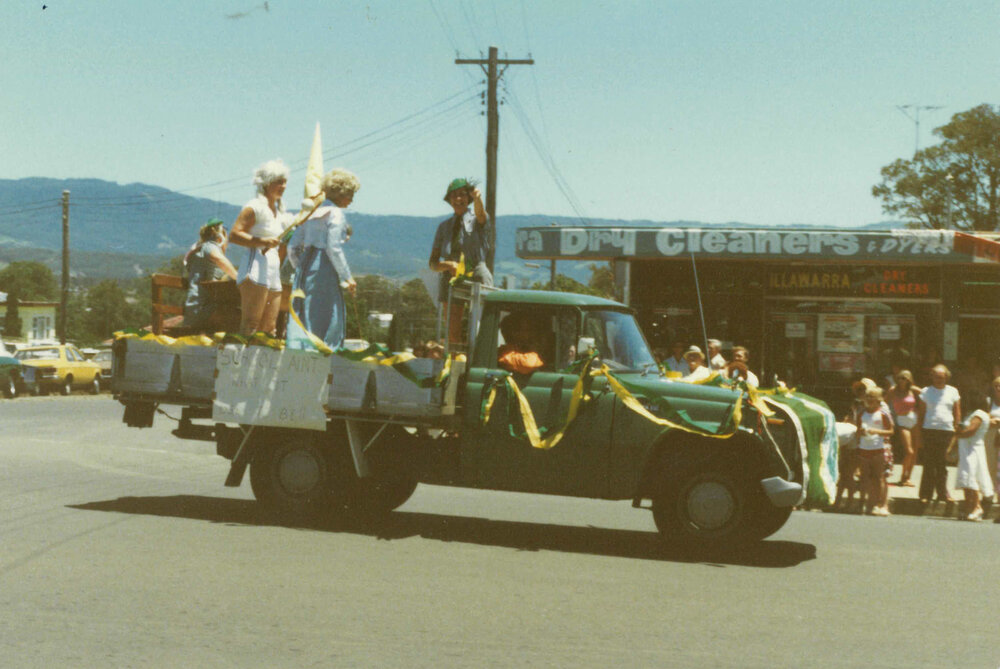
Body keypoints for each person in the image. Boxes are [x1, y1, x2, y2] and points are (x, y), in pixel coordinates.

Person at [285, 169, 360, 351]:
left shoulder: (311, 213)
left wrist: (300, 266)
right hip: (324, 268)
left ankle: (300, 350)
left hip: (305, 267)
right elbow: (333, 248)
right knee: (326, 312)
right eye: (350, 194)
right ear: (340, 194)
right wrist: (347, 277)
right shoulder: (336, 214)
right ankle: (324, 352)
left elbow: (292, 247)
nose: (351, 199)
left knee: (304, 313)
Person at [229, 159, 293, 336]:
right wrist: (263, 242)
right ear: (266, 183)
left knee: (269, 328)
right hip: (255, 265)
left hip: (272, 270)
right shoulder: (254, 207)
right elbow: (234, 235)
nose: (283, 186)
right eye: (278, 181)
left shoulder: (281, 214)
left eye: (285, 182)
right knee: (251, 324)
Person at [429, 178, 491, 344]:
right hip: (452, 277)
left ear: (469, 198)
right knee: (452, 331)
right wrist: (447, 265)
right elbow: (433, 263)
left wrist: (478, 198)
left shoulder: (477, 219)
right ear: (449, 200)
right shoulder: (443, 227)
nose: (458, 199)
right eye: (454, 196)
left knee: (480, 327)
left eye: (462, 195)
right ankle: (455, 362)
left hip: (476, 271)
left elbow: (481, 215)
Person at [182, 218, 238, 332]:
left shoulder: (199, 250)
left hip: (196, 309)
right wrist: (241, 278)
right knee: (242, 316)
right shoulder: (210, 246)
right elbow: (219, 259)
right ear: (220, 236)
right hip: (202, 309)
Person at [916, 364, 960, 504]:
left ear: (946, 377)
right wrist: (918, 435)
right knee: (928, 464)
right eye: (936, 377)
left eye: (941, 377)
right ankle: (925, 494)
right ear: (931, 377)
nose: (938, 379)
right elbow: (921, 414)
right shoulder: (925, 392)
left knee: (942, 465)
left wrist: (956, 432)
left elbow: (957, 414)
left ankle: (942, 494)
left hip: (946, 431)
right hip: (929, 430)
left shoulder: (953, 391)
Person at [953, 395, 996, 521]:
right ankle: (968, 508)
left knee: (971, 478)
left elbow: (971, 431)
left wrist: (957, 433)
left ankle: (977, 507)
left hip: (972, 450)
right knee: (966, 478)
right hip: (967, 449)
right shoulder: (974, 414)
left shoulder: (979, 414)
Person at [856, 387, 894, 516]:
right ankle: (865, 503)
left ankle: (879, 504)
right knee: (865, 477)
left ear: (879, 400)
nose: (870, 400)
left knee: (878, 478)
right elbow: (858, 430)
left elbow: (891, 431)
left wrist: (876, 431)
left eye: (873, 397)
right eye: (867, 397)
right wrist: (860, 433)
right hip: (864, 449)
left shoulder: (883, 413)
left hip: (878, 449)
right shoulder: (861, 413)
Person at [886, 369, 921, 487]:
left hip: (914, 419)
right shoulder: (893, 390)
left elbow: (927, 395)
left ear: (909, 379)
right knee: (909, 451)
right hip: (902, 420)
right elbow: (884, 403)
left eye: (905, 378)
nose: (902, 380)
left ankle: (908, 477)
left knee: (915, 451)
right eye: (900, 378)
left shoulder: (913, 390)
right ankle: (902, 476)